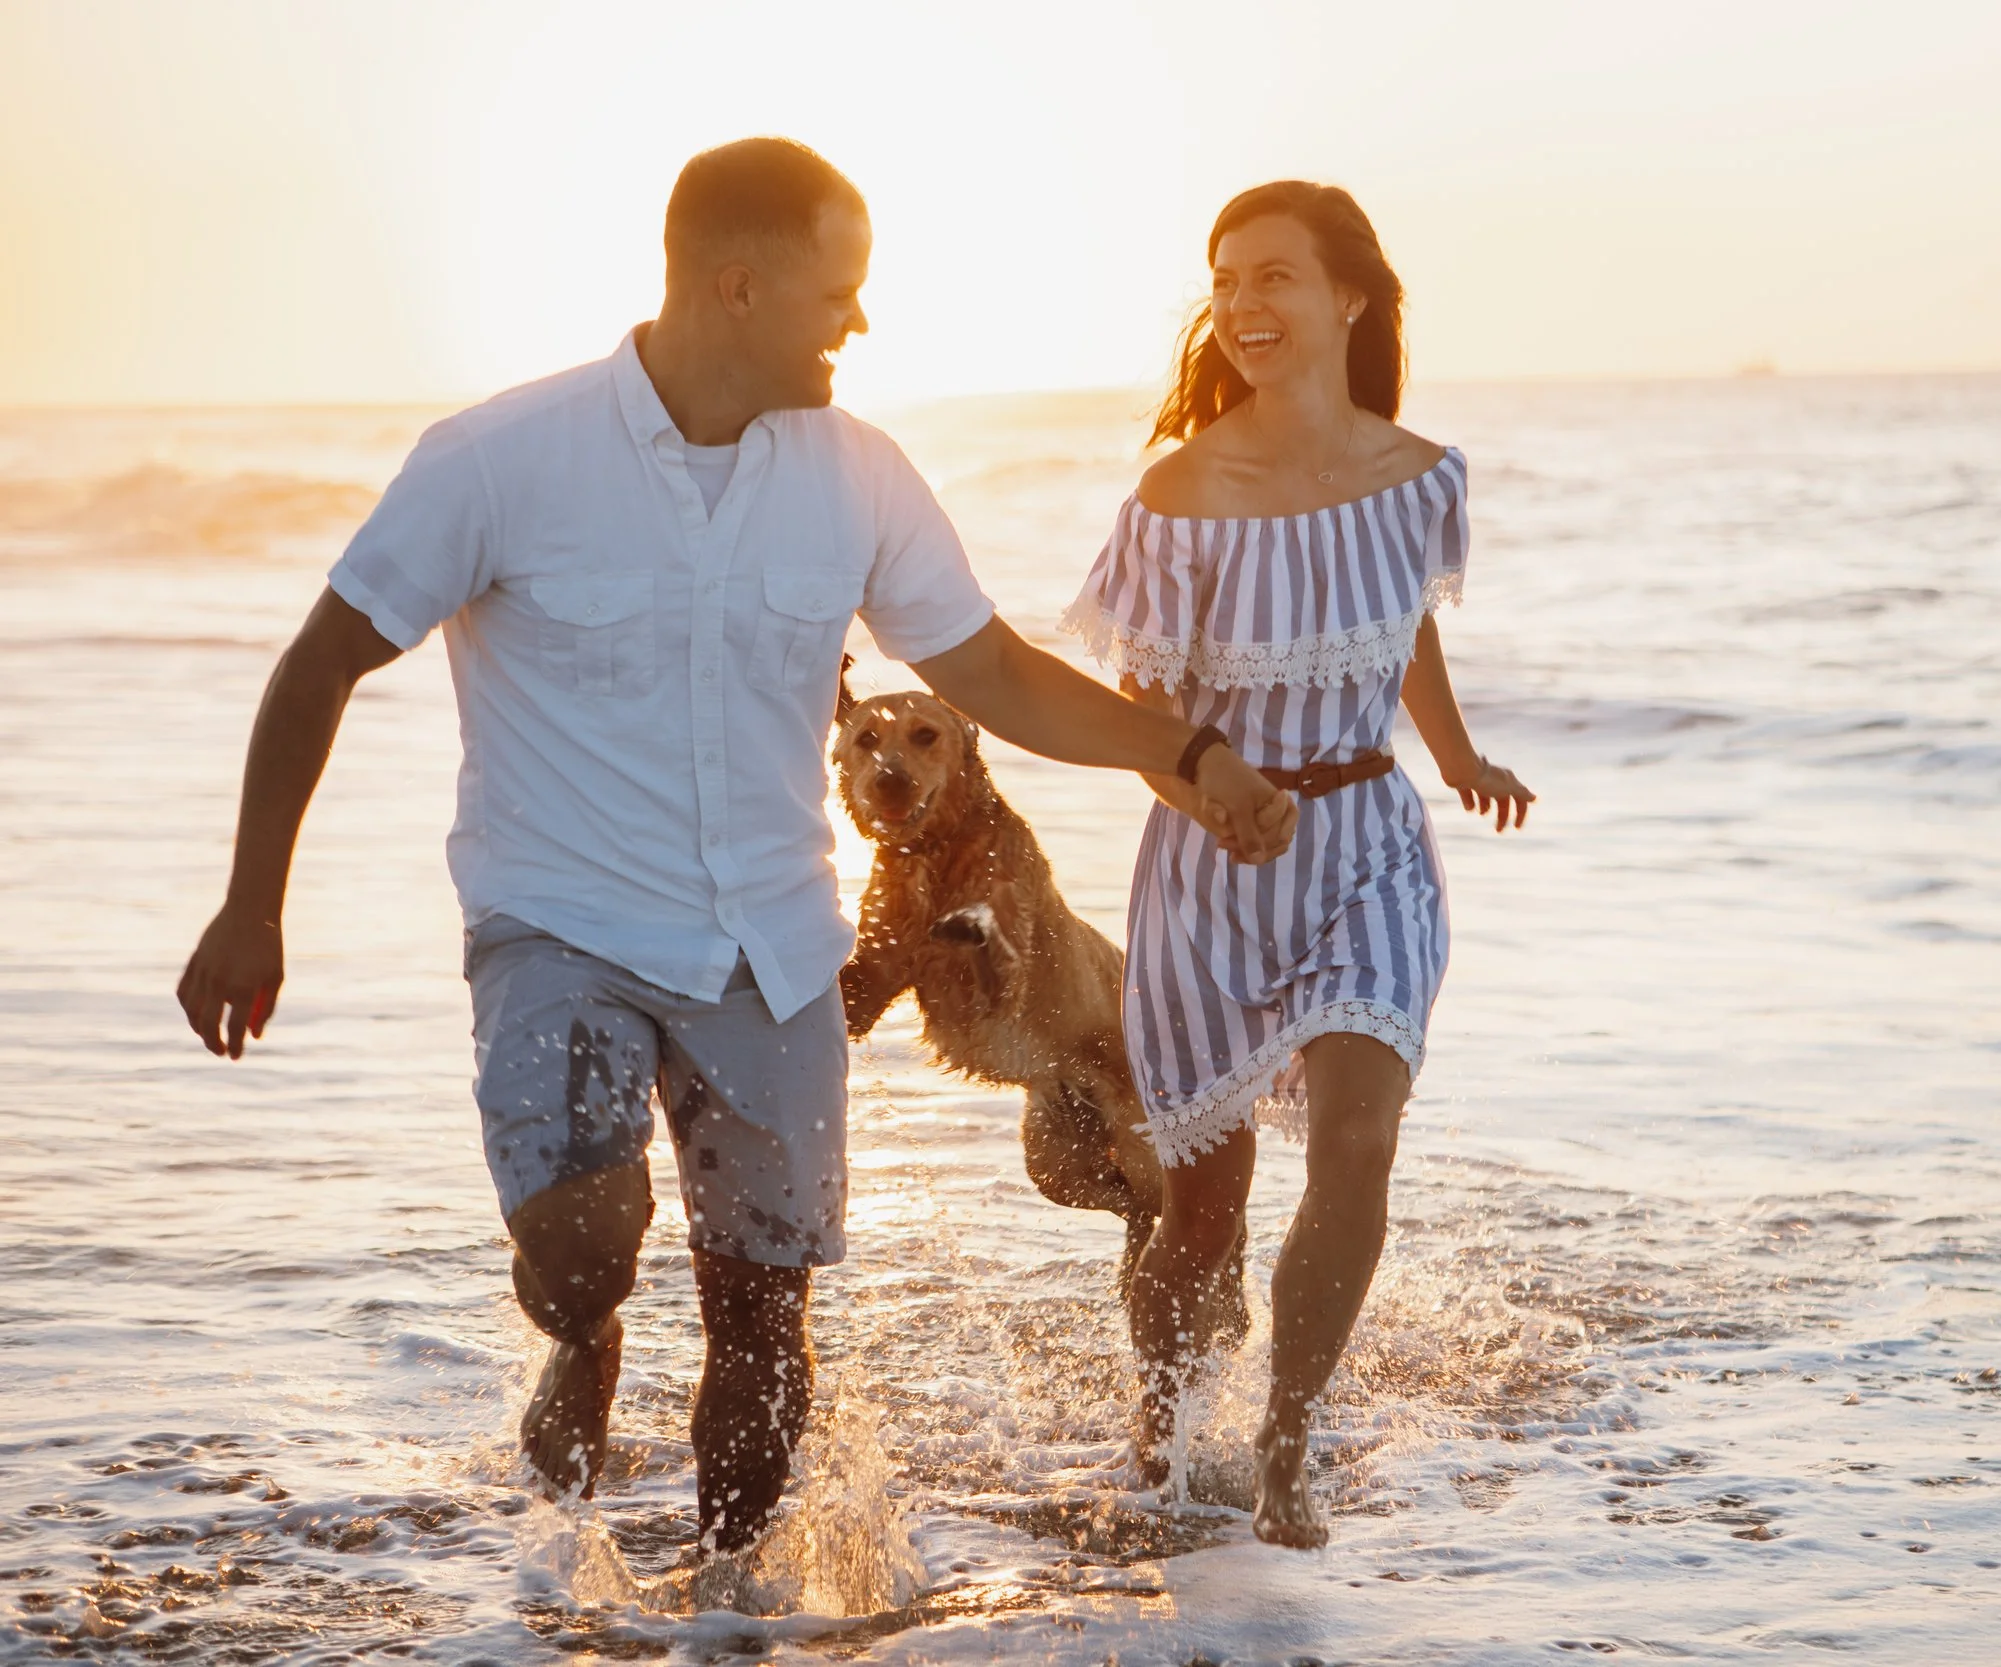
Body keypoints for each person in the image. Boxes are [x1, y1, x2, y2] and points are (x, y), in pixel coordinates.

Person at [174, 137, 1295, 1561]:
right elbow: (320, 660)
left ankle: (731, 1612)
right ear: (741, 283)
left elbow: (998, 673)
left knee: (763, 1336)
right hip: (557, 924)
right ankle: (580, 1337)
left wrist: (1185, 759)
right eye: (842, 290)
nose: (861, 322)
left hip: (769, 944)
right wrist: (249, 906)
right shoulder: (499, 459)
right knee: (587, 1241)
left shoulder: (860, 478)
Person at [1062, 180, 1534, 1547]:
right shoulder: (1182, 495)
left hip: (1370, 850)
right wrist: (1215, 798)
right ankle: (1158, 1428)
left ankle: (1286, 1437)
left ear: (1351, 296)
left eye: (1274, 275)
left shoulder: (1422, 479)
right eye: (1227, 280)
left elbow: (1408, 627)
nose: (1245, 305)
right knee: (1199, 1217)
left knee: (1359, 1143)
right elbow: (1141, 718)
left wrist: (1453, 753)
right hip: (1211, 874)